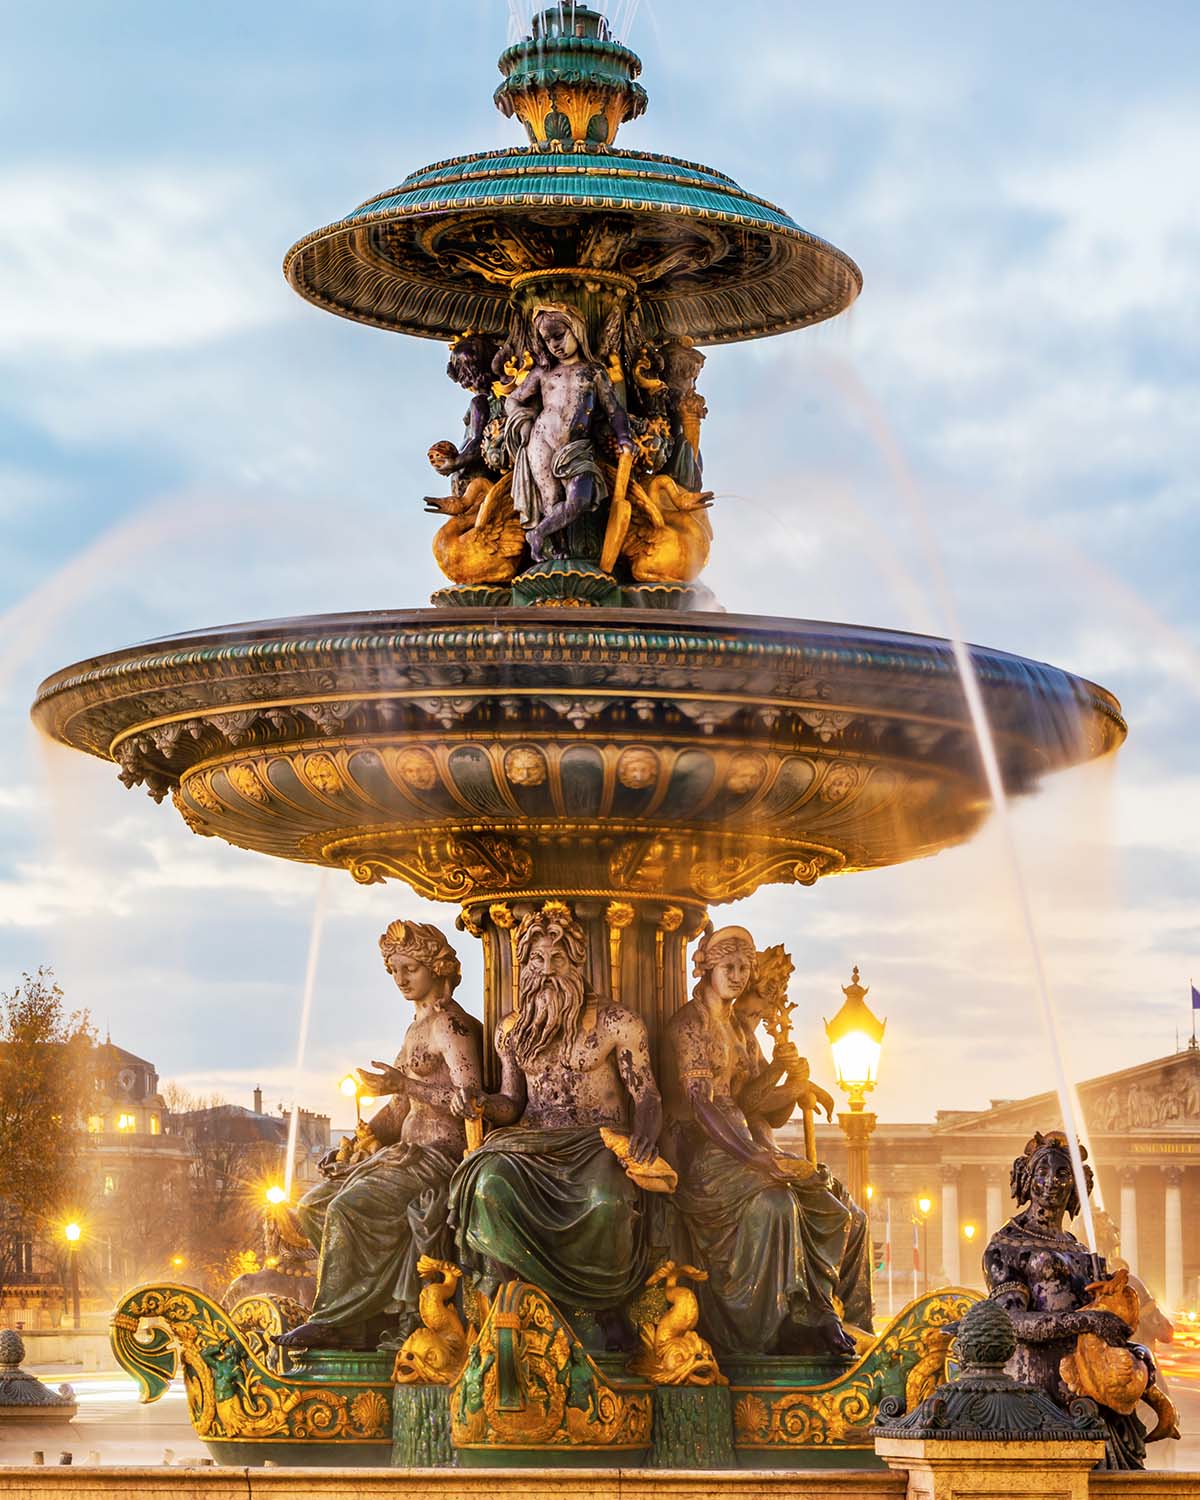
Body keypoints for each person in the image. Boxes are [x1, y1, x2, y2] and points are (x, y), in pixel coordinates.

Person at [449, 904, 661, 1347]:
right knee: (488, 1184)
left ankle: (602, 1308)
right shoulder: (512, 1030)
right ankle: (513, 1302)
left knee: (606, 1201)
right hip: (529, 1143)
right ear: (524, 965)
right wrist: (482, 1102)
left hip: (597, 1141)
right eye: (536, 961)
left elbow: (646, 1094)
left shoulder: (616, 1023)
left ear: (577, 963)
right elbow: (511, 1103)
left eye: (557, 960)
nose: (546, 971)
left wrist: (644, 1132)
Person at [277, 920, 482, 1351]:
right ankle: (362, 1316)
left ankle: (333, 1320)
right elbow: (402, 1108)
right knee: (313, 1205)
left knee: (348, 1208)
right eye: (393, 971)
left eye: (409, 968)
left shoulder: (452, 1026)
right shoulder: (414, 1029)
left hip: (438, 1157)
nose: (400, 979)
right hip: (403, 1153)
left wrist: (403, 1085)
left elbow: (470, 1100)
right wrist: (358, 1139)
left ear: (437, 967)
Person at [662, 926, 859, 1358]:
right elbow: (703, 1107)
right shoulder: (689, 1026)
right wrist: (755, 1157)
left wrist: (783, 1074)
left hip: (744, 1149)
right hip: (705, 1156)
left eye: (743, 968)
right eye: (728, 967)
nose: (736, 975)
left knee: (834, 1205)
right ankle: (770, 1328)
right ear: (707, 969)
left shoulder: (738, 1029)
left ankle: (819, 1310)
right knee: (777, 1204)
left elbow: (756, 1104)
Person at [984, 1130, 1172, 1470]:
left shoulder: (1080, 1250)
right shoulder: (1008, 1246)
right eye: (1042, 1172)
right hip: (1039, 1395)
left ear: (1076, 1185)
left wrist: (1134, 1349)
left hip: (1093, 1391)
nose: (1052, 1182)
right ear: (1027, 1179)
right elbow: (1010, 1321)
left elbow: (1105, 1320)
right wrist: (1087, 1320)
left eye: (1062, 1174)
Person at [504, 304, 633, 561]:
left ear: (576, 330)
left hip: (576, 446)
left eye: (559, 335)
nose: (554, 345)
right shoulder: (542, 372)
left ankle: (537, 533)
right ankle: (559, 553)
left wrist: (624, 437)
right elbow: (512, 400)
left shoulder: (594, 371)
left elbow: (613, 408)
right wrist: (523, 422)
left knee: (581, 499)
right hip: (541, 440)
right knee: (550, 500)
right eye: (547, 340)